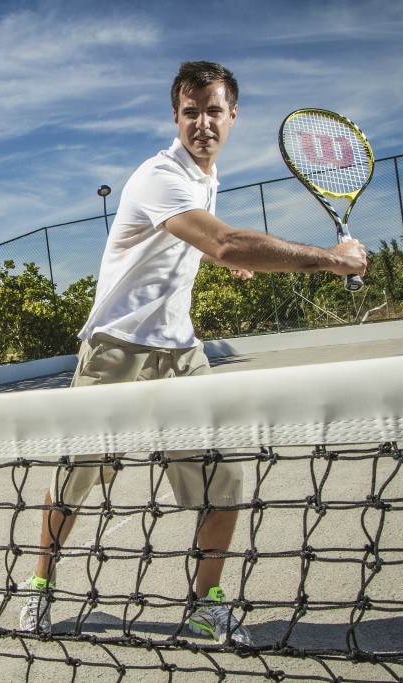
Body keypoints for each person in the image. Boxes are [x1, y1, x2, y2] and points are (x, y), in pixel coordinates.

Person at [18, 61, 368, 645]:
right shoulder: (160, 174)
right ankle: (38, 590)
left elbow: (200, 241)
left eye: (213, 111)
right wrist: (333, 258)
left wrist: (218, 257)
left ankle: (206, 606)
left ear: (233, 116)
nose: (202, 123)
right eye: (190, 112)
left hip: (182, 354)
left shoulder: (208, 179)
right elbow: (226, 238)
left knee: (223, 481)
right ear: (176, 117)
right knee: (76, 480)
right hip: (114, 348)